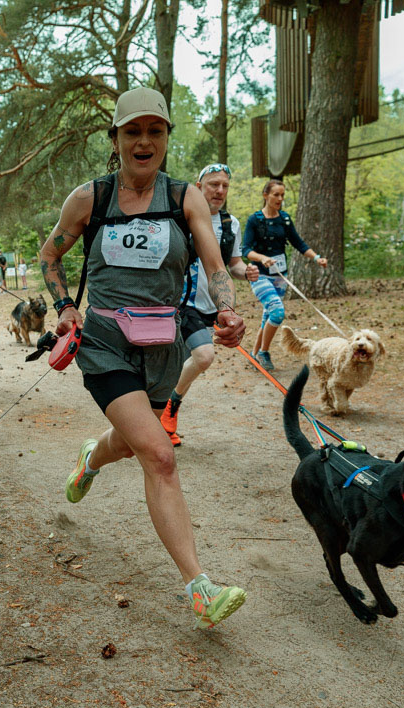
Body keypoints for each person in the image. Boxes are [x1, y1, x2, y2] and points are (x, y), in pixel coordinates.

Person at [39, 86, 249, 629]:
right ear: (116, 139)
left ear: (165, 140)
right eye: (133, 131)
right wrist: (65, 306)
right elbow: (50, 255)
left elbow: (215, 267)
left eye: (155, 131)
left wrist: (227, 311)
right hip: (105, 345)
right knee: (159, 453)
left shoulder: (186, 199)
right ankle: (200, 588)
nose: (144, 141)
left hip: (163, 345)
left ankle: (90, 458)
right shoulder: (91, 199)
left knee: (135, 447)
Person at [159, 163, 259, 446]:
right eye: (214, 184)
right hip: (183, 302)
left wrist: (247, 273)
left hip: (213, 306)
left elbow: (233, 265)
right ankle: (166, 407)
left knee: (184, 365)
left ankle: (167, 412)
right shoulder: (182, 219)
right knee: (203, 357)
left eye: (225, 185)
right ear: (198, 185)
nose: (220, 190)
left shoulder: (231, 224)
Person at [241, 179, 328, 371]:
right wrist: (262, 258)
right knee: (277, 312)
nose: (280, 199)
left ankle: (254, 356)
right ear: (266, 196)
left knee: (268, 316)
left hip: (280, 277)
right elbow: (245, 249)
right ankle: (264, 352)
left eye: (282, 195)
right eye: (276, 195)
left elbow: (299, 244)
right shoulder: (254, 220)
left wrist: (317, 258)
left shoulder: (285, 220)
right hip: (259, 275)